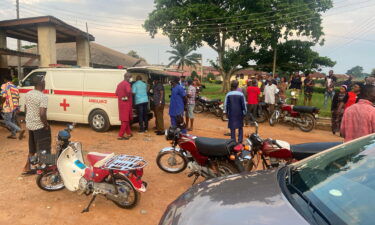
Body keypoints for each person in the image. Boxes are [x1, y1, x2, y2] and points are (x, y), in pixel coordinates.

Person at [23, 76, 50, 175]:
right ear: (41, 84)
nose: (45, 84)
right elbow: (42, 114)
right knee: (43, 149)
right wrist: (46, 125)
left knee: (32, 148)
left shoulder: (28, 94)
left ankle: (27, 167)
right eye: (44, 82)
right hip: (39, 126)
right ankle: (43, 170)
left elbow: (26, 109)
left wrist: (28, 120)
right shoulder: (43, 96)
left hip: (30, 125)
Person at [1, 75, 24, 139]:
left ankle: (19, 130)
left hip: (8, 106)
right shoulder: (15, 87)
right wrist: (17, 107)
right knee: (12, 120)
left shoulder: (4, 86)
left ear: (5, 80)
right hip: (15, 105)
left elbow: (3, 97)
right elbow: (18, 98)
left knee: (7, 121)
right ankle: (13, 135)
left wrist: (2, 105)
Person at [116, 73, 133, 140]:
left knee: (125, 119)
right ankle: (120, 135)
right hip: (126, 104)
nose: (131, 79)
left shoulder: (119, 84)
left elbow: (116, 93)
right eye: (130, 77)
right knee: (125, 120)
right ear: (128, 77)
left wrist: (122, 96)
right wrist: (129, 95)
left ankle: (129, 133)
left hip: (121, 104)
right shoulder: (127, 84)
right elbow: (129, 91)